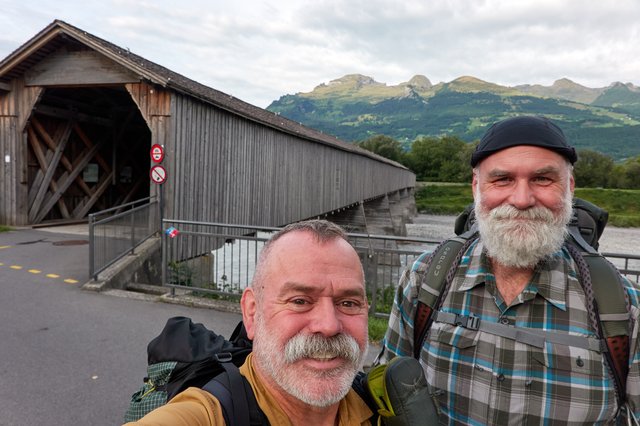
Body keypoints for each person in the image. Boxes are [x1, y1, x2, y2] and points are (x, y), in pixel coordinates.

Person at [382, 115, 640, 424]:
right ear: (476, 187)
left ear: (569, 187)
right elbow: (388, 396)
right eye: (502, 179)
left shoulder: (622, 308)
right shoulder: (425, 279)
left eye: (543, 179)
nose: (521, 200)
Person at [127, 219, 373, 425]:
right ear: (252, 312)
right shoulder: (209, 414)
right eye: (300, 301)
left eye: (349, 303)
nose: (329, 326)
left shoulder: (386, 407)